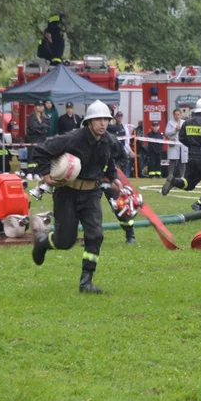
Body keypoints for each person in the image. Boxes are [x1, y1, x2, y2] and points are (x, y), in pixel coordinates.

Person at [30, 100, 119, 292]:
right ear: (89, 122)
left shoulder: (108, 140)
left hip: (91, 194)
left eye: (106, 119)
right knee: (65, 241)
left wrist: (114, 177)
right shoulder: (72, 138)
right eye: (99, 120)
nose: (103, 123)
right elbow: (40, 151)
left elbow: (110, 158)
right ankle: (42, 242)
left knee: (95, 235)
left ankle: (85, 282)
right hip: (67, 194)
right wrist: (46, 175)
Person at [161, 98, 201, 215]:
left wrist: (193, 147)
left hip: (192, 156)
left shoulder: (187, 122)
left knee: (189, 183)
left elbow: (181, 138)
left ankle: (174, 181)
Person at [24, 100, 50, 178]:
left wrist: (41, 128)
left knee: (40, 157)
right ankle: (30, 172)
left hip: (42, 140)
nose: (40, 107)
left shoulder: (45, 117)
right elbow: (33, 128)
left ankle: (37, 172)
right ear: (35, 107)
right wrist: (42, 127)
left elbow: (47, 127)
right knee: (32, 156)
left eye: (42, 106)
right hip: (33, 139)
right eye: (39, 106)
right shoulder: (32, 117)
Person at [165, 108, 188, 181]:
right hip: (173, 143)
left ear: (180, 115)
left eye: (178, 115)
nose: (177, 116)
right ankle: (170, 175)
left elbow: (187, 132)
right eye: (175, 115)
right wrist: (175, 130)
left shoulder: (184, 122)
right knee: (172, 160)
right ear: (173, 115)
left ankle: (182, 176)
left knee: (182, 160)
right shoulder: (170, 122)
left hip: (182, 144)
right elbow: (167, 133)